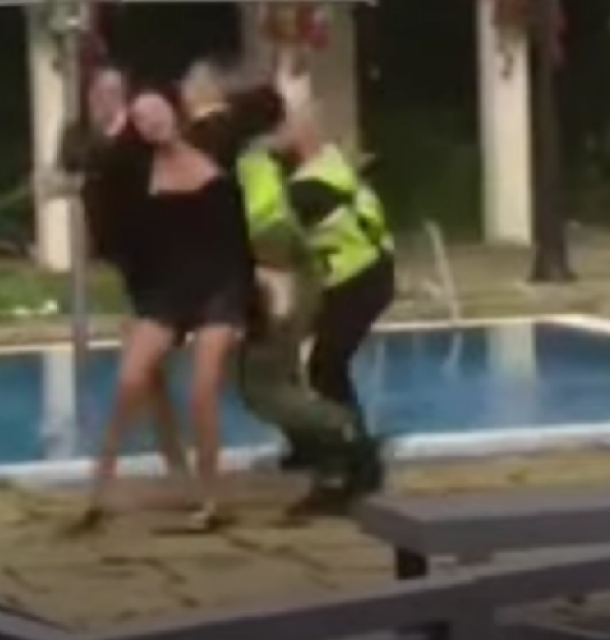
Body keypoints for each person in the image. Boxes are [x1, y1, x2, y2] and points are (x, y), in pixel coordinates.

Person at [180, 63, 374, 514]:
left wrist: (271, 285)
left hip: (280, 276)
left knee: (262, 385)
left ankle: (340, 433)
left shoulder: (244, 156)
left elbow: (267, 228)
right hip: (284, 274)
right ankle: (326, 450)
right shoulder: (253, 151)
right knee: (271, 378)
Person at [84, 87, 256, 531]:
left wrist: (248, 303)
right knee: (131, 379)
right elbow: (123, 240)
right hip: (167, 291)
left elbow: (239, 239)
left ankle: (212, 499)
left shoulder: (215, 149)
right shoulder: (134, 175)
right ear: (137, 129)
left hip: (220, 286)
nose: (153, 120)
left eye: (157, 110)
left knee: (203, 388)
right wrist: (139, 304)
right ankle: (99, 491)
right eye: (142, 117)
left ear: (174, 112)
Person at [60, 69, 193, 526]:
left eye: (113, 92)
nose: (104, 100)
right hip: (120, 267)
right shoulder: (81, 138)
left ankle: (134, 477)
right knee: (148, 378)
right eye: (98, 92)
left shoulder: (139, 142)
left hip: (151, 267)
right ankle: (171, 469)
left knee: (144, 374)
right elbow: (72, 173)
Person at [276, 86, 395, 500]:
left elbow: (269, 233)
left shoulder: (310, 186)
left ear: (303, 133)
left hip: (361, 278)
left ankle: (360, 463)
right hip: (361, 275)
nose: (276, 137)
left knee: (326, 366)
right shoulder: (328, 163)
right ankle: (325, 449)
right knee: (307, 361)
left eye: (284, 127)